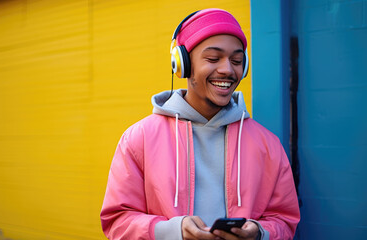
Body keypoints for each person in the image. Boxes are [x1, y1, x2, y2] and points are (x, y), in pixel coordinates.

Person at [100, 8, 300, 240]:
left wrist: (260, 234)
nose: (227, 70)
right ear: (182, 64)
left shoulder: (268, 144)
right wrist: (173, 231)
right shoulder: (139, 138)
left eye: (236, 60)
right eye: (213, 58)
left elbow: (284, 221)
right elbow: (117, 222)